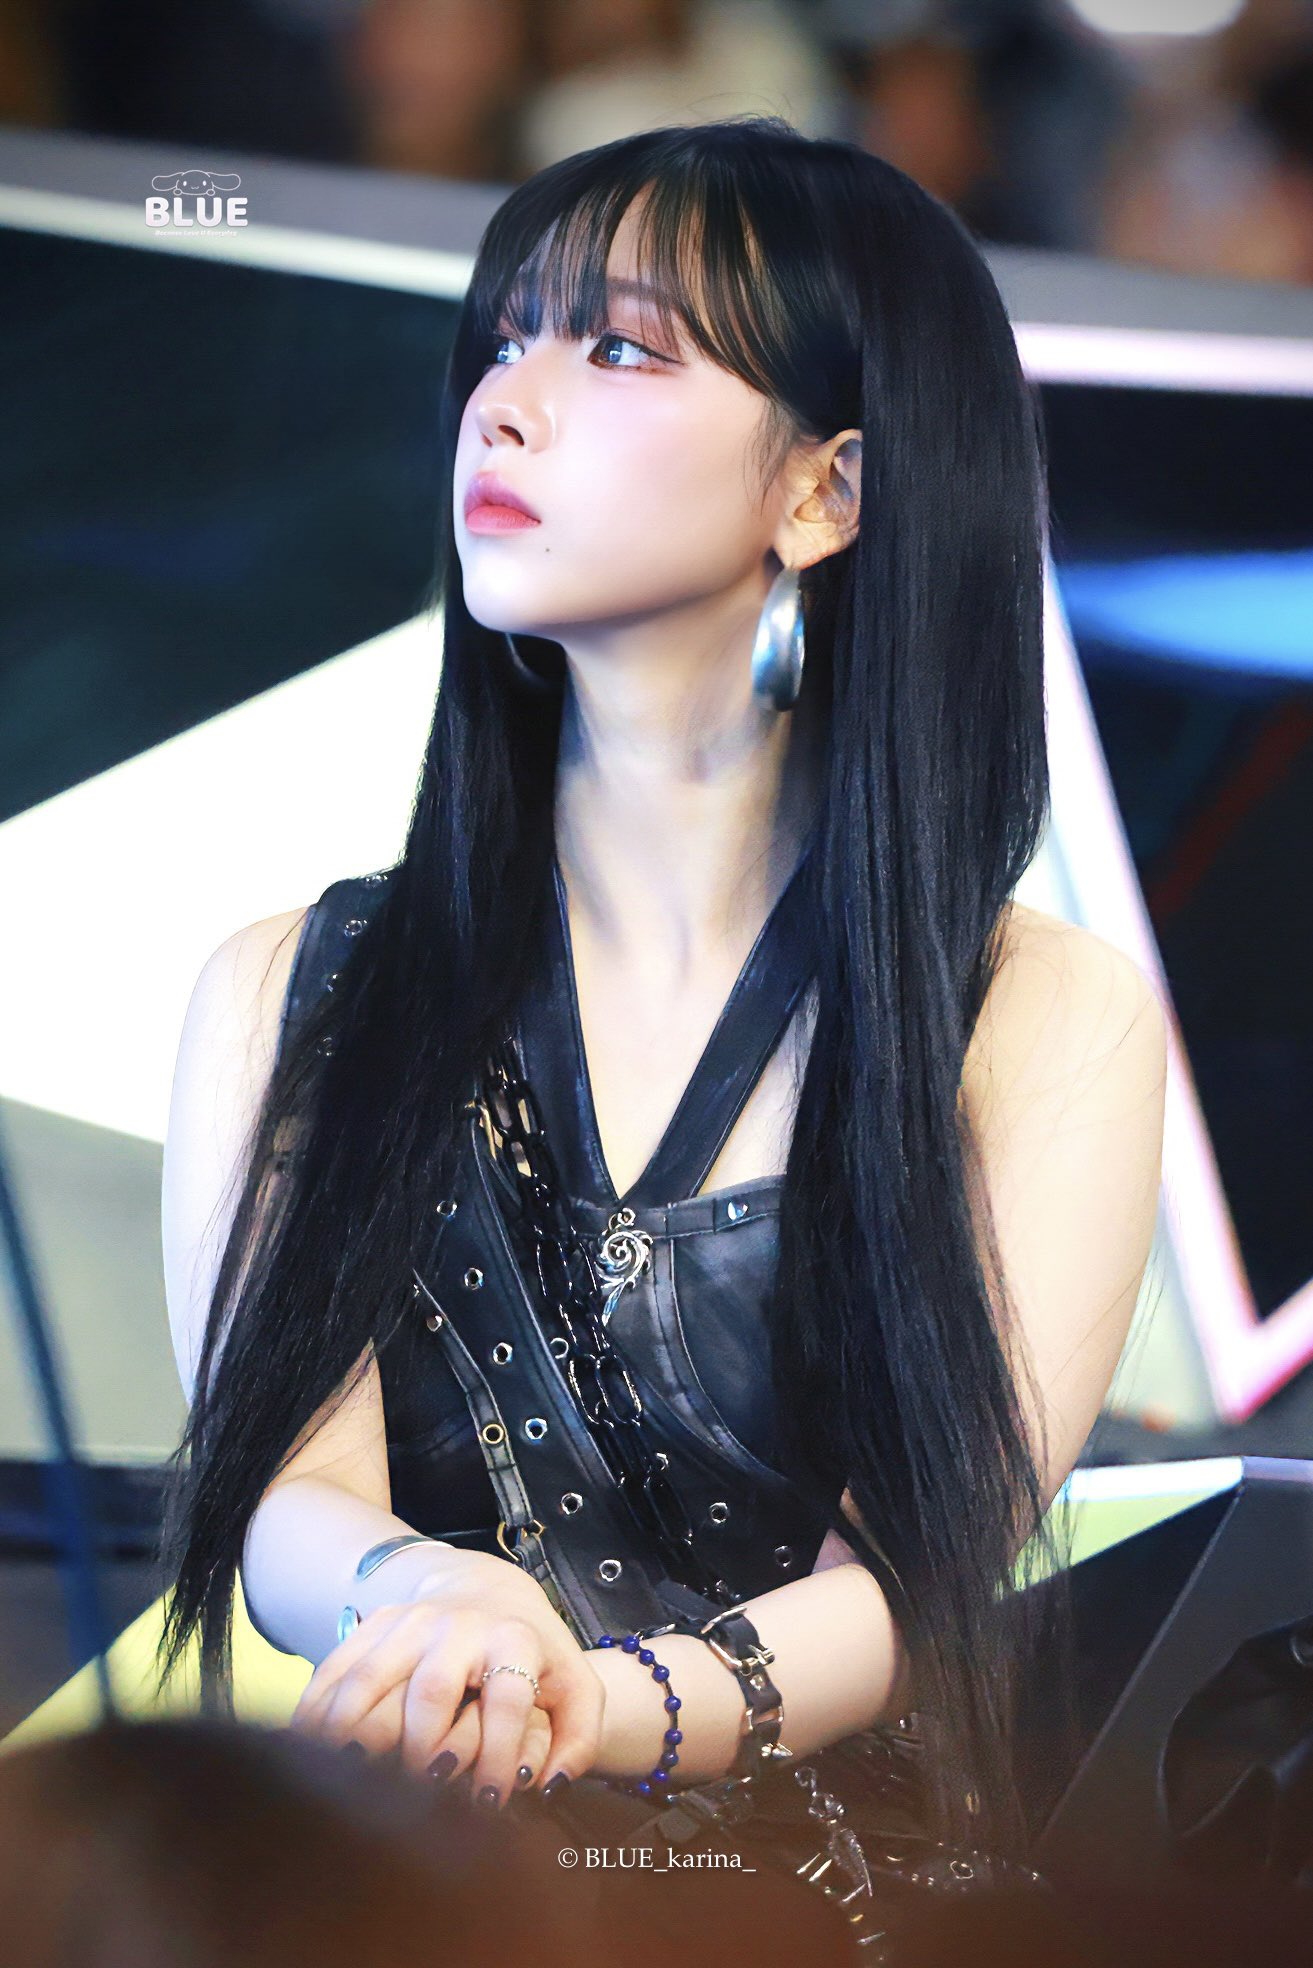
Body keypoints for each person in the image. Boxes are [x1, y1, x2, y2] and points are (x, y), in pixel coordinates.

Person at [156, 115, 1167, 1875]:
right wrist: (427, 1594)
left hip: (844, 1903)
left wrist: (608, 1705)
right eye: (505, 340)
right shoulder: (290, 990)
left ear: (824, 492)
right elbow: (285, 1490)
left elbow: (917, 1572)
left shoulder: (1038, 1014)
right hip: (422, 1885)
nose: (505, 403)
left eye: (619, 350)